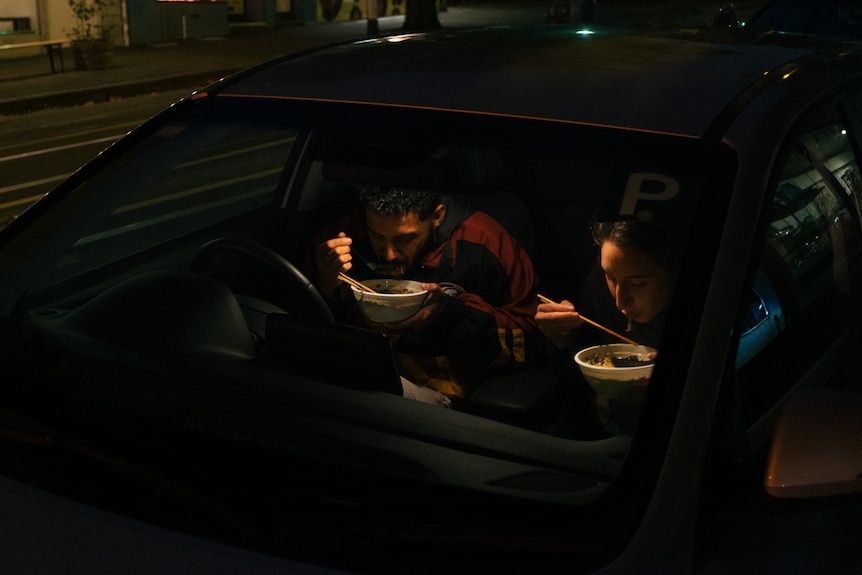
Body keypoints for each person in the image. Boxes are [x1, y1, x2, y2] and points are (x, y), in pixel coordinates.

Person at [306, 185, 548, 406]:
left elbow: (534, 338)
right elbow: (306, 326)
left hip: (449, 391)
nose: (389, 254)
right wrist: (325, 287)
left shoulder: (482, 238)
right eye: (377, 236)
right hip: (359, 374)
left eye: (405, 238)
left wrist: (451, 314)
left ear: (437, 217)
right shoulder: (343, 236)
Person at [535, 219, 684, 434]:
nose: (619, 301)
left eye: (638, 283)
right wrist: (560, 338)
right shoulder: (601, 281)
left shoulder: (710, 311)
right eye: (611, 277)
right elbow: (577, 372)